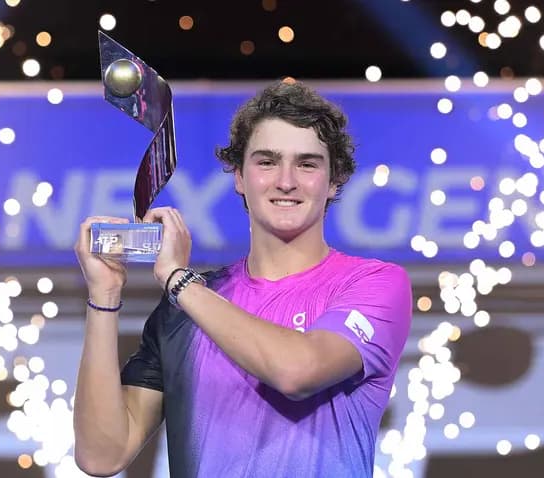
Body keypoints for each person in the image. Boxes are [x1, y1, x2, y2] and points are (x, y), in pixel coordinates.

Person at [73, 80, 412, 477]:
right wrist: (104, 296)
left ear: (334, 180)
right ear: (239, 177)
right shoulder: (184, 310)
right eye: (266, 162)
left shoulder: (374, 283)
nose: (286, 181)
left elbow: (297, 372)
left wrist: (179, 280)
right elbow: (101, 456)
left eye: (307, 164)